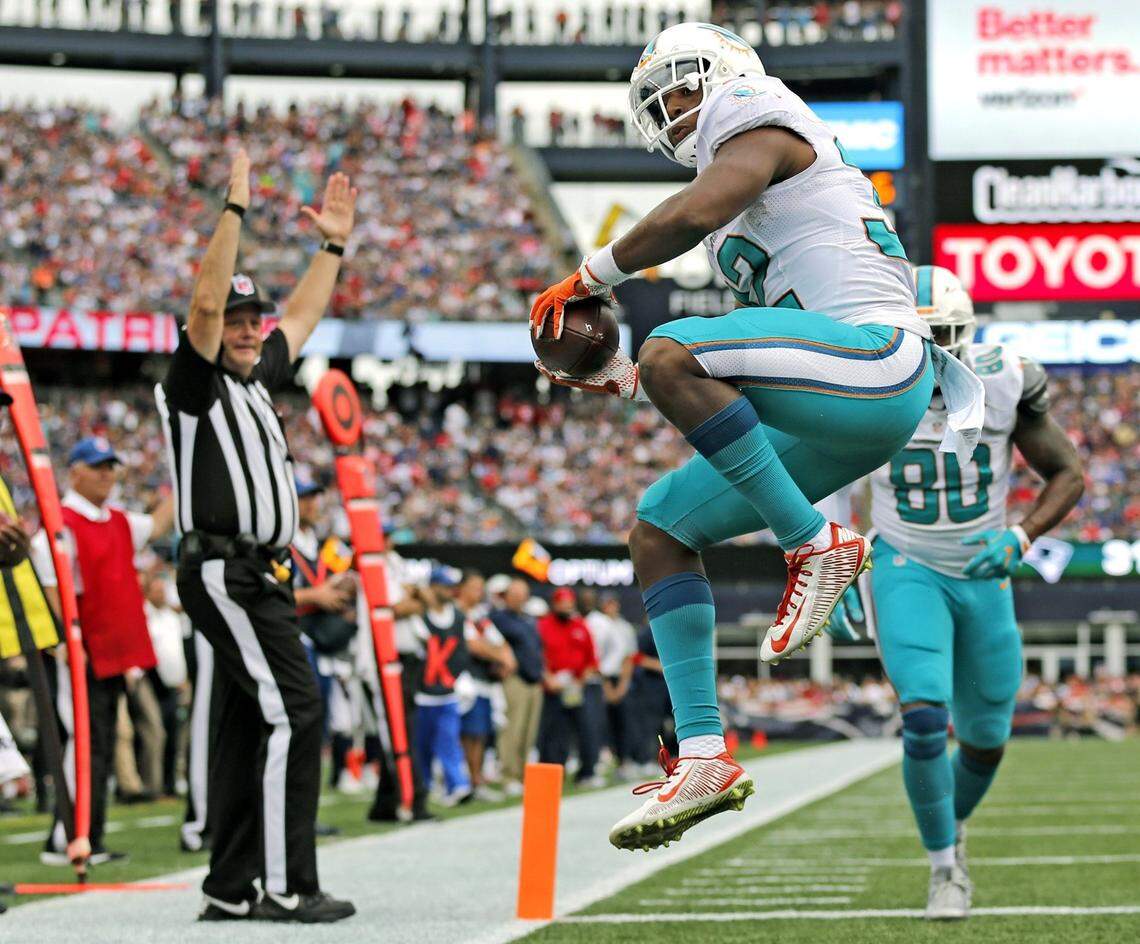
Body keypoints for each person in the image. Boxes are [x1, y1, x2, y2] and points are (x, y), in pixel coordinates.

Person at [529, 21, 983, 851]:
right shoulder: (746, 211)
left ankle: (814, 546)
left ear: (725, 72)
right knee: (660, 527)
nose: (672, 112)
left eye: (681, 87)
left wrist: (588, 277)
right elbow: (745, 370)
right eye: (657, 106)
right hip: (835, 403)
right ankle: (703, 753)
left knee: (675, 352)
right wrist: (623, 375)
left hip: (878, 358)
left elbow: (694, 216)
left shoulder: (759, 107)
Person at [828, 266, 1084, 920]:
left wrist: (1023, 536)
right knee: (921, 718)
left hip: (983, 573)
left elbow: (1066, 473)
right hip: (906, 564)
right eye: (917, 340)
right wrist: (831, 561)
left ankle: (950, 826)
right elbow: (825, 473)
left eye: (941, 337)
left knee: (988, 738)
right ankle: (944, 868)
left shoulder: (1003, 379)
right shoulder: (860, 387)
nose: (932, 356)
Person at [155, 149, 357, 923]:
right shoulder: (194, 385)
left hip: (259, 575)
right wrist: (233, 211)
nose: (245, 331)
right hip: (224, 570)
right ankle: (285, 883)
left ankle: (231, 885)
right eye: (235, 322)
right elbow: (204, 312)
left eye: (252, 320)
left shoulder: (254, 375)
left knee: (250, 721)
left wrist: (331, 247)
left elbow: (300, 317)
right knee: (295, 710)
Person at [31, 436, 174, 865]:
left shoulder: (116, 519)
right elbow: (55, 589)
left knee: (104, 743)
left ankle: (90, 833)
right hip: (82, 653)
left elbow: (159, 524)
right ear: (75, 472)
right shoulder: (61, 525)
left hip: (112, 653)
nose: (107, 474)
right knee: (84, 742)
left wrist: (180, 479)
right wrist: (73, 643)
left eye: (111, 466)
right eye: (97, 467)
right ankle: (69, 834)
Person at [454, 570, 515, 801]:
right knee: (466, 734)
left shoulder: (479, 614)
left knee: (479, 734)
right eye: (475, 587)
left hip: (482, 681)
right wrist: (500, 656)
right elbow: (472, 645)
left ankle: (475, 779)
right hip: (462, 680)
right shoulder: (456, 612)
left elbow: (498, 641)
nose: (479, 592)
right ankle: (465, 780)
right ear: (463, 588)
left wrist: (506, 657)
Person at [536, 587, 602, 785]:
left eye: (569, 603)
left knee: (587, 729)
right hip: (553, 687)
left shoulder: (580, 625)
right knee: (555, 733)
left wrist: (580, 681)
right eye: (562, 603)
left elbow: (592, 659)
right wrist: (548, 677)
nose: (566, 607)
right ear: (554, 604)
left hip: (577, 686)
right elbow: (537, 655)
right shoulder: (543, 625)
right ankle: (554, 776)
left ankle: (587, 772)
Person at [490, 578, 544, 797]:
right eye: (516, 594)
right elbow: (491, 642)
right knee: (512, 730)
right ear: (507, 596)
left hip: (534, 680)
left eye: (523, 594)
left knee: (528, 732)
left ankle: (522, 775)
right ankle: (508, 775)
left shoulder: (528, 619)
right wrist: (499, 663)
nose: (520, 598)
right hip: (515, 680)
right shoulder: (499, 618)